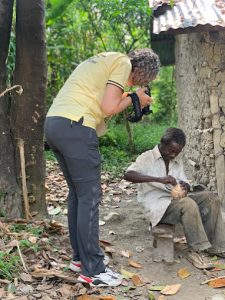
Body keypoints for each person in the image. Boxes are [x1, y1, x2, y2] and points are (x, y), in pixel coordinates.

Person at [44, 49, 160, 286]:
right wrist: (136, 98)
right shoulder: (123, 63)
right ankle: (93, 270)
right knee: (90, 197)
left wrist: (131, 98)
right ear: (142, 74)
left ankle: (80, 259)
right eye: (144, 81)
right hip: (76, 127)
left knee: (78, 195)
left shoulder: (106, 59)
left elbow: (105, 100)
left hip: (56, 123)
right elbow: (108, 107)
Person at [124, 127, 225, 270]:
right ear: (162, 143)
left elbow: (183, 180)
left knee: (211, 197)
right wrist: (159, 179)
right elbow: (127, 175)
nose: (173, 155)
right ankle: (195, 251)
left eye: (177, 152)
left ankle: (217, 246)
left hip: (175, 201)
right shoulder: (147, 157)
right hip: (159, 207)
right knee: (188, 204)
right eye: (170, 150)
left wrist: (186, 186)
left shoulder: (177, 159)